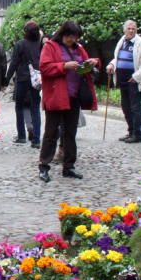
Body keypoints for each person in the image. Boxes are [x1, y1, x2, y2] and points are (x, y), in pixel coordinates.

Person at [38, 20, 99, 182]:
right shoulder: (50, 46)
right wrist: (64, 66)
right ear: (64, 34)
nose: (73, 40)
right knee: (51, 133)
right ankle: (44, 166)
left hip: (74, 96)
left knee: (70, 133)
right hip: (57, 96)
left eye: (76, 37)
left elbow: (85, 63)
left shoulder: (78, 48)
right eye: (71, 37)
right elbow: (44, 67)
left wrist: (92, 63)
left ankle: (69, 166)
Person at [106, 20, 141, 144]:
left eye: (133, 28)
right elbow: (118, 58)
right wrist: (111, 64)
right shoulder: (122, 41)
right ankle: (130, 131)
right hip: (122, 79)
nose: (131, 30)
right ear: (124, 30)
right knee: (125, 106)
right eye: (129, 28)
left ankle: (137, 134)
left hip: (134, 80)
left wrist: (136, 76)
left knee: (135, 107)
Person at [5, 21, 43, 147]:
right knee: (35, 108)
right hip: (36, 78)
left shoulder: (20, 44)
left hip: (22, 78)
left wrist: (6, 79)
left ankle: (21, 135)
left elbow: (14, 63)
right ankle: (36, 139)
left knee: (19, 107)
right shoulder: (40, 44)